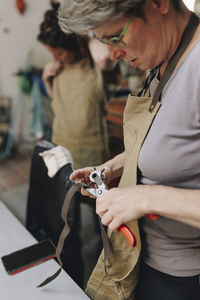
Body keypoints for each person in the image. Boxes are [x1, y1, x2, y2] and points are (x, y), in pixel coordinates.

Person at [57, 1, 200, 300]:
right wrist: (113, 167)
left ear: (158, 4)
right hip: (143, 255)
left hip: (184, 278)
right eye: (102, 41)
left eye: (115, 37)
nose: (113, 54)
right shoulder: (163, 59)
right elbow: (170, 147)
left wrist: (147, 197)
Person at [38, 2, 110, 170]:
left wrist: (84, 33)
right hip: (60, 147)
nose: (56, 58)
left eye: (60, 53)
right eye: (53, 54)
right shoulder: (59, 68)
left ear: (75, 44)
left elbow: (105, 57)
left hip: (89, 154)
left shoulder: (95, 63)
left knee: (88, 195)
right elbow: (60, 104)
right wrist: (46, 81)